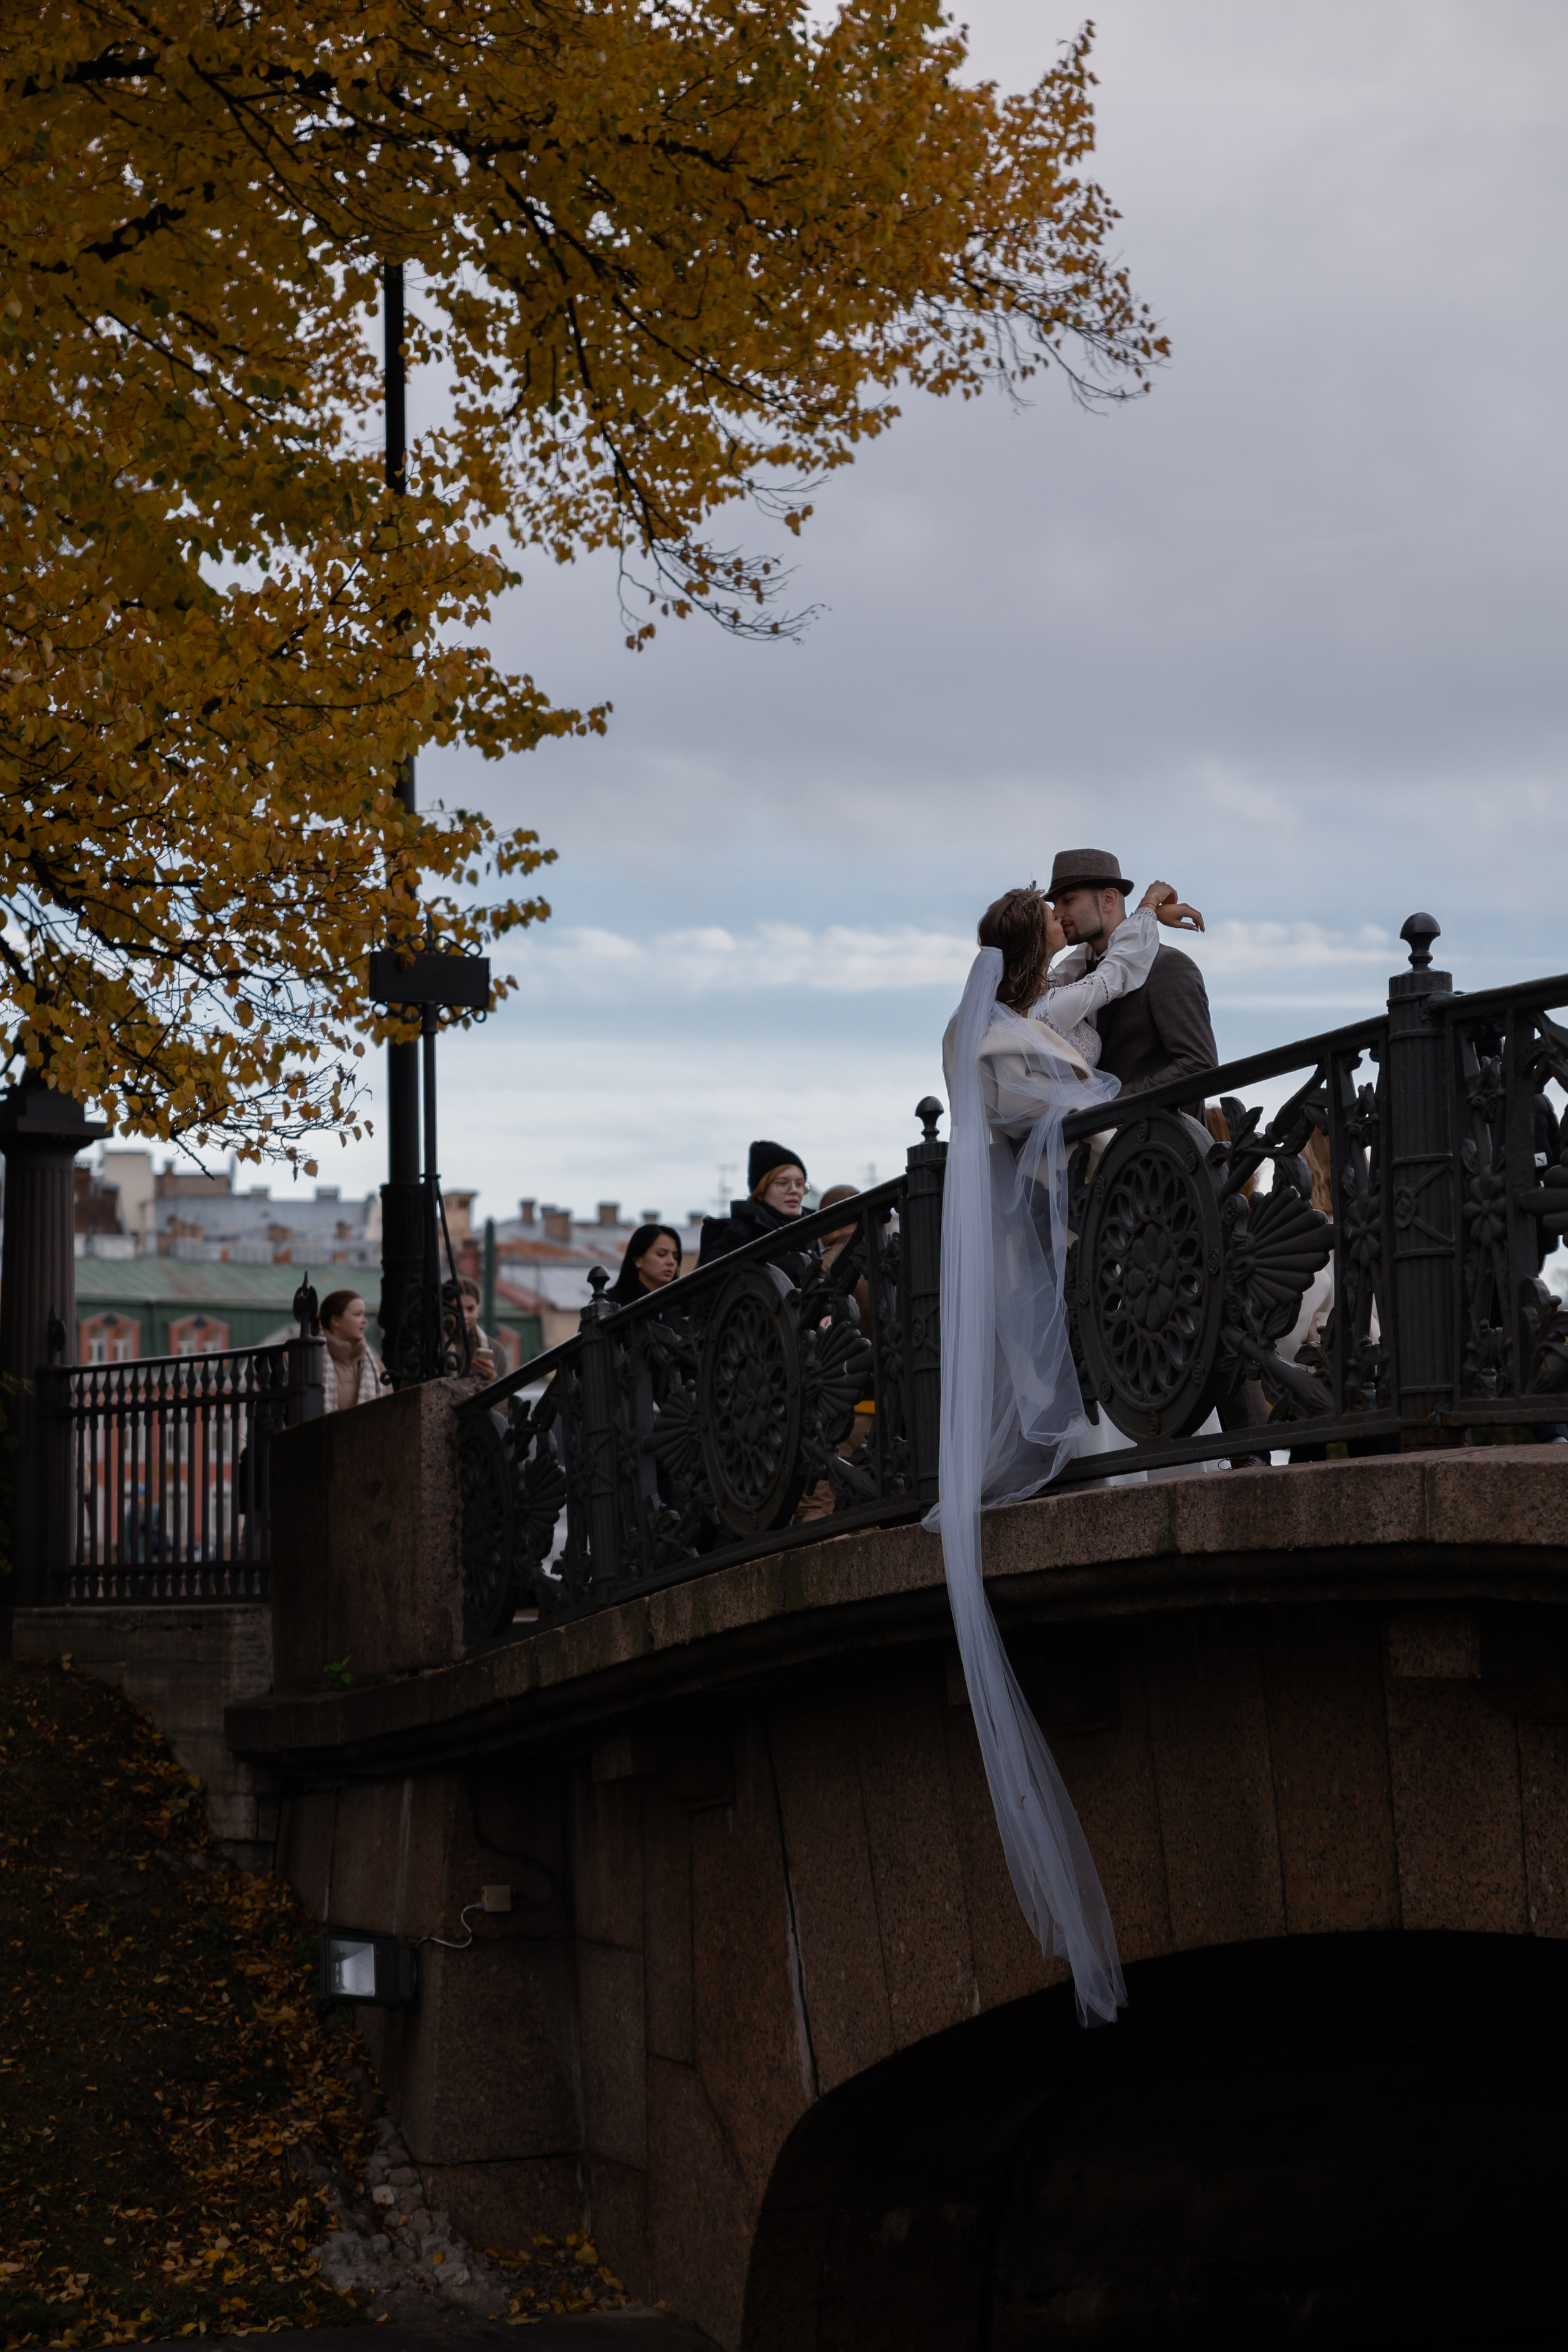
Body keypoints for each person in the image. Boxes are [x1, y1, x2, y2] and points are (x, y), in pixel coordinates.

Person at [929, 884, 1166, 2030]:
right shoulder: (998, 1034)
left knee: (1054, 1356)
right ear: (1035, 951)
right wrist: (1113, 1082)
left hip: (1045, 1230)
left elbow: (1077, 995)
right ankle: (1057, 1445)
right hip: (1048, 1237)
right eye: (1057, 933)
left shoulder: (990, 1015)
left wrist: (1129, 926)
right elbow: (1076, 1034)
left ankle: (1070, 1436)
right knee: (1048, 1362)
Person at [1044, 848, 1216, 1101]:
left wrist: (1103, 1108)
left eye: (1068, 900)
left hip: (1159, 1137)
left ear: (1108, 900)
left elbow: (1198, 1066)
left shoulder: (1168, 966)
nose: (1057, 913)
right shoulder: (1074, 978)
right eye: (1054, 904)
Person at [698, 1142, 808, 1268]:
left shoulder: (813, 1231)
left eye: (799, 1184)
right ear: (760, 1192)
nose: (794, 1190)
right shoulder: (735, 1239)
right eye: (783, 1183)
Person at [315, 1290, 385, 1411]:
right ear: (335, 1320)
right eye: (358, 1314)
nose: (365, 1321)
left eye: (364, 1315)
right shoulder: (313, 1361)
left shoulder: (377, 1367)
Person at [607, 1223, 684, 1306]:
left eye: (675, 1257)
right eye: (661, 1254)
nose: (672, 1262)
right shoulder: (610, 1304)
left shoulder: (684, 1305)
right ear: (637, 1260)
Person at [456, 1276, 497, 1380]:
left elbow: (508, 1393)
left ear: (478, 1309)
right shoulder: (428, 1348)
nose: (465, 1316)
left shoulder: (494, 1349)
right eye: (457, 1309)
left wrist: (492, 1377)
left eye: (471, 1309)